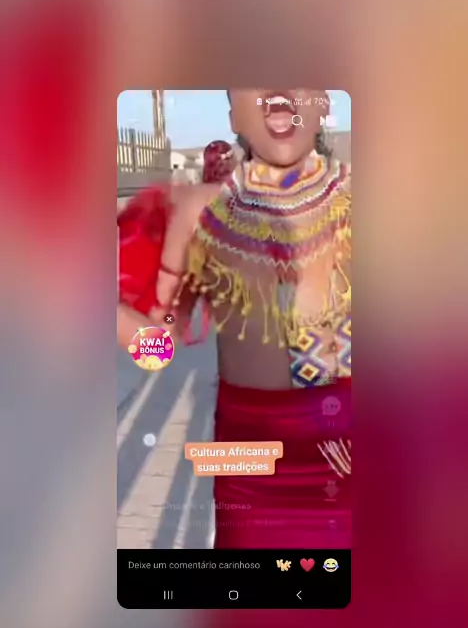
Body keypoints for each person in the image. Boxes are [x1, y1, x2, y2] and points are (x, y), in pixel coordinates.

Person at [117, 89, 351, 549]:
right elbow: (159, 349)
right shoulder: (199, 212)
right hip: (251, 466)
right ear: (232, 117)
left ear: (324, 102)